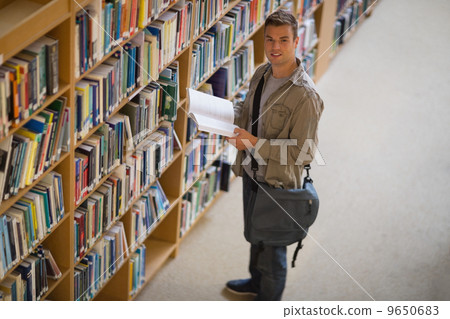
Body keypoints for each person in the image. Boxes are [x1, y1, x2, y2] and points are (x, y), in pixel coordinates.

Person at [226, 10, 324, 301]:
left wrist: (254, 142)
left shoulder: (306, 97)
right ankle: (256, 283)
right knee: (256, 236)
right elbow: (247, 114)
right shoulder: (261, 73)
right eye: (270, 39)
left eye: (283, 40)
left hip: (278, 184)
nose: (275, 47)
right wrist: (218, 117)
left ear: (296, 41)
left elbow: (302, 152)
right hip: (252, 173)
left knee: (272, 251)